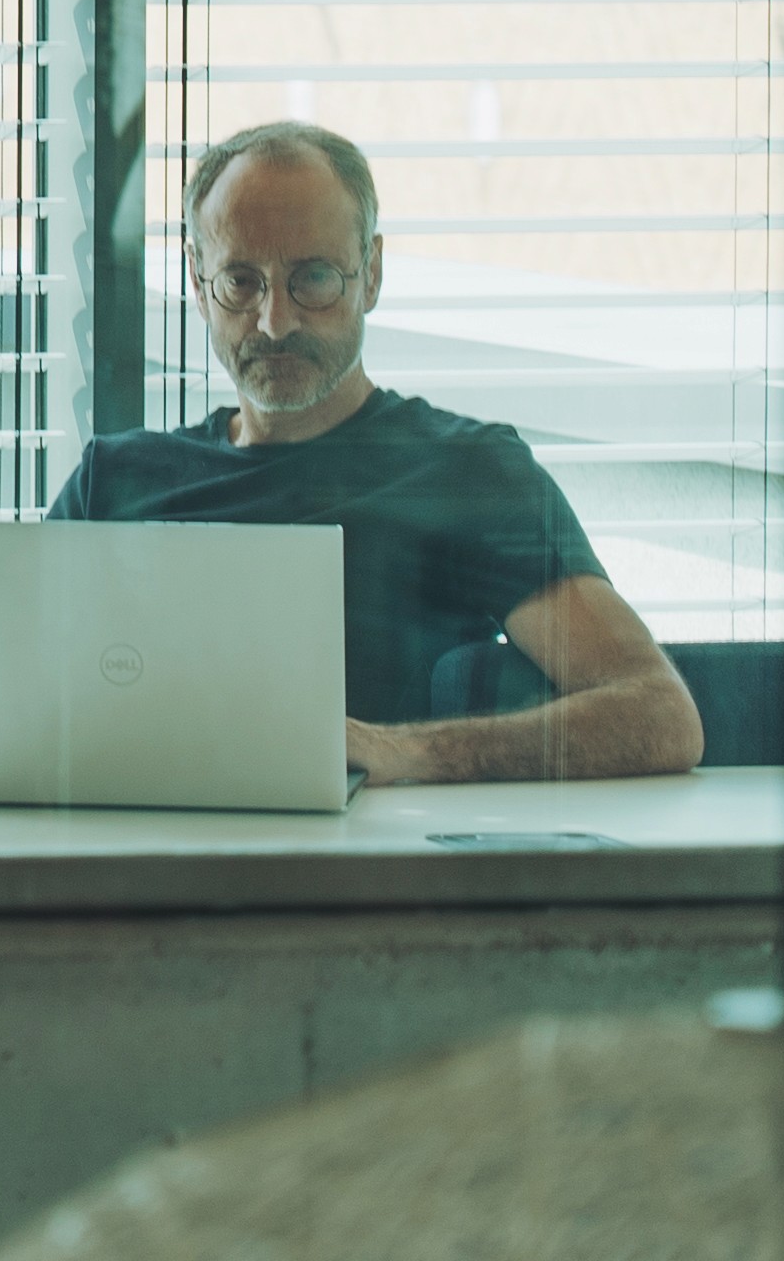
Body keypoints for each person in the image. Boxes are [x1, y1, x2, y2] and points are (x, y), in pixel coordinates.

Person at [47, 121, 704, 785]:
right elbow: (0, 698)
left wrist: (403, 752)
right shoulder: (113, 482)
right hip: (124, 857)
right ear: (198, 282)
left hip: (359, 870)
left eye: (314, 278)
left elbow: (657, 714)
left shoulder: (464, 472)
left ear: (373, 275)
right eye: (242, 282)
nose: (275, 322)